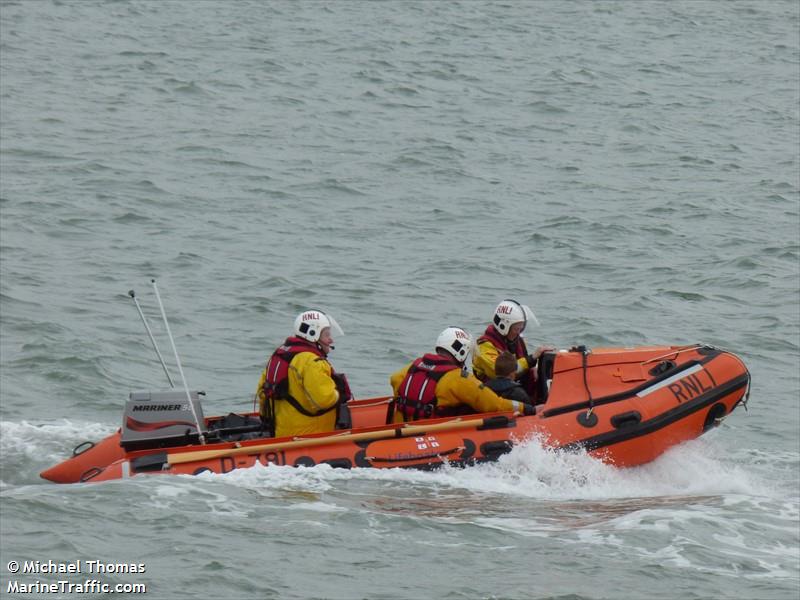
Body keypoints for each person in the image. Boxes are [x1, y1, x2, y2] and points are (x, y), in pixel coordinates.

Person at [390, 326, 535, 422]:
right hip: (433, 434)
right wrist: (528, 408)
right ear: (461, 352)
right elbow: (494, 404)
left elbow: (394, 379)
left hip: (404, 428)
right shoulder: (459, 378)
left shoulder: (413, 366)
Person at [256, 309, 352, 437]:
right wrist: (338, 391)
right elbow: (325, 399)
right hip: (309, 437)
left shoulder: (280, 355)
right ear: (313, 335)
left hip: (282, 434)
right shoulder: (312, 362)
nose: (331, 340)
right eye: (327, 335)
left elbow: (263, 395)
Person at [472, 299, 554, 399]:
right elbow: (500, 372)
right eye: (516, 329)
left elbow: (523, 362)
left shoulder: (517, 340)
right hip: (492, 394)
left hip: (513, 387)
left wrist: (535, 368)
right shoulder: (484, 346)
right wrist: (531, 359)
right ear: (503, 326)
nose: (518, 332)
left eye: (521, 328)